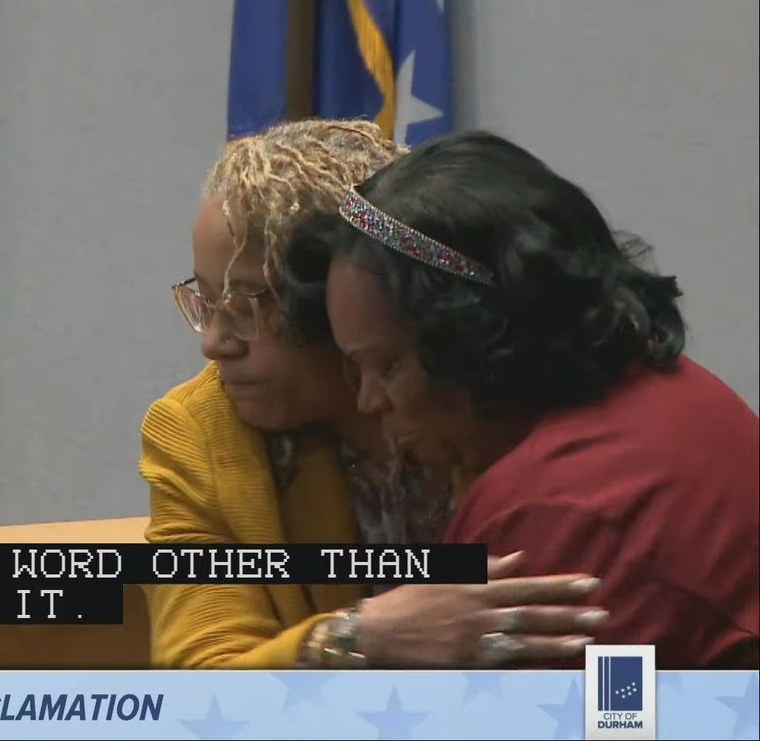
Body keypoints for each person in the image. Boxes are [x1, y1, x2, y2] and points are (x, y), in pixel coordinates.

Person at [138, 120, 609, 670]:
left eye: (246, 305)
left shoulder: (477, 386)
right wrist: (353, 639)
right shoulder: (197, 431)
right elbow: (198, 678)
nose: (215, 345)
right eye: (207, 302)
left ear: (339, 293)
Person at [283, 129, 760, 669]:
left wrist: (349, 645)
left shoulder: (548, 513)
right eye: (354, 369)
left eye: (387, 366)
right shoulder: (675, 389)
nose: (368, 400)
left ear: (472, 337)